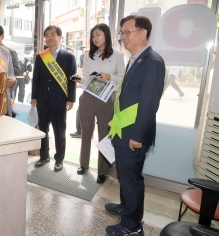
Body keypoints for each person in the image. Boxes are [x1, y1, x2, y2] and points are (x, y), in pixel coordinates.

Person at [105, 15, 165, 236]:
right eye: (121, 33)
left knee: (132, 178)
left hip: (133, 134)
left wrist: (137, 136)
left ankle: (131, 226)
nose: (123, 37)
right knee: (125, 174)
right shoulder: (135, 59)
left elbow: (149, 104)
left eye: (127, 32)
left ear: (143, 33)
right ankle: (125, 207)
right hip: (124, 129)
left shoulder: (153, 62)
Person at [72, 23, 125, 183]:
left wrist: (110, 77)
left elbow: (123, 78)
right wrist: (78, 78)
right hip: (88, 96)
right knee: (85, 131)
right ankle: (83, 164)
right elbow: (86, 77)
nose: (95, 38)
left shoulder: (117, 55)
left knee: (104, 135)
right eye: (93, 35)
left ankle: (103, 170)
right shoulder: (88, 56)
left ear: (106, 36)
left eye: (98, 35)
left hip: (107, 98)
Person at [31, 25, 77, 172]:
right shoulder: (41, 57)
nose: (49, 37)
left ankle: (59, 159)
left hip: (59, 99)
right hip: (43, 99)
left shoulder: (69, 57)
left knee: (59, 131)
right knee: (42, 130)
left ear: (59, 37)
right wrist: (33, 96)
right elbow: (35, 79)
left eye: (52, 34)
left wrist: (71, 99)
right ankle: (44, 156)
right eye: (47, 35)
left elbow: (72, 80)